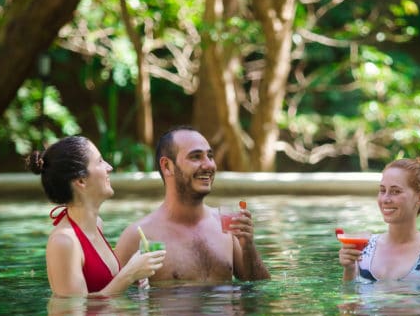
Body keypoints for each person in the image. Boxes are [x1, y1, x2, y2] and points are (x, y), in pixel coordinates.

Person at [114, 126, 270, 283]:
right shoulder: (139, 236)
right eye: (196, 157)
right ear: (167, 166)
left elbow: (258, 288)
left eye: (210, 156)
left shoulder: (225, 225)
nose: (209, 165)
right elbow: (113, 301)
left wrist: (248, 246)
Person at [27, 136, 164, 297]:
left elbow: (99, 291)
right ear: (81, 181)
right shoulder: (64, 242)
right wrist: (129, 274)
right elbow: (72, 312)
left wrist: (135, 277)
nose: (109, 167)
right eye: (99, 161)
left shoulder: (97, 225)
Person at [339, 158, 420, 282]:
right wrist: (349, 268)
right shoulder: (364, 247)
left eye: (395, 191)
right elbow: (350, 305)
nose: (385, 199)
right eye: (382, 190)